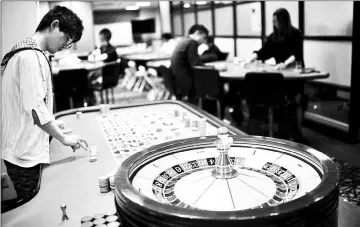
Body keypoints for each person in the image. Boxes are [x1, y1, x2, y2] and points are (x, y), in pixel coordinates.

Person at [1, 5, 88, 204]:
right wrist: (64, 138)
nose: (64, 47)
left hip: (22, 149)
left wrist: (55, 125)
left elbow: (37, 105)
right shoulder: (31, 56)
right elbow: (35, 110)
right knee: (34, 208)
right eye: (66, 40)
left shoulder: (28, 52)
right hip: (24, 154)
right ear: (55, 25)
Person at [245, 8, 307, 142]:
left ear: (283, 20)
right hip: (280, 73)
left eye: (276, 20)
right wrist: (251, 58)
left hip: (293, 72)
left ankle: (297, 132)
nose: (274, 23)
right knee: (280, 98)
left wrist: (284, 63)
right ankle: (283, 128)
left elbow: (297, 54)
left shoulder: (295, 34)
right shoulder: (274, 36)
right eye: (273, 21)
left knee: (295, 101)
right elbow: (264, 51)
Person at [170, 24, 209, 101]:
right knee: (209, 80)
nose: (204, 41)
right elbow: (195, 64)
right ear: (198, 33)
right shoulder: (192, 43)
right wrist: (211, 68)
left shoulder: (184, 40)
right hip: (185, 80)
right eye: (204, 38)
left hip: (176, 78)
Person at [87, 28, 119, 105]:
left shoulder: (112, 50)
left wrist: (97, 51)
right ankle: (91, 101)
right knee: (86, 80)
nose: (99, 39)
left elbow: (100, 58)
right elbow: (91, 58)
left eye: (100, 37)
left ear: (104, 37)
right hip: (101, 74)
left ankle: (91, 102)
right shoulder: (100, 48)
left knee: (87, 81)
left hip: (107, 77)